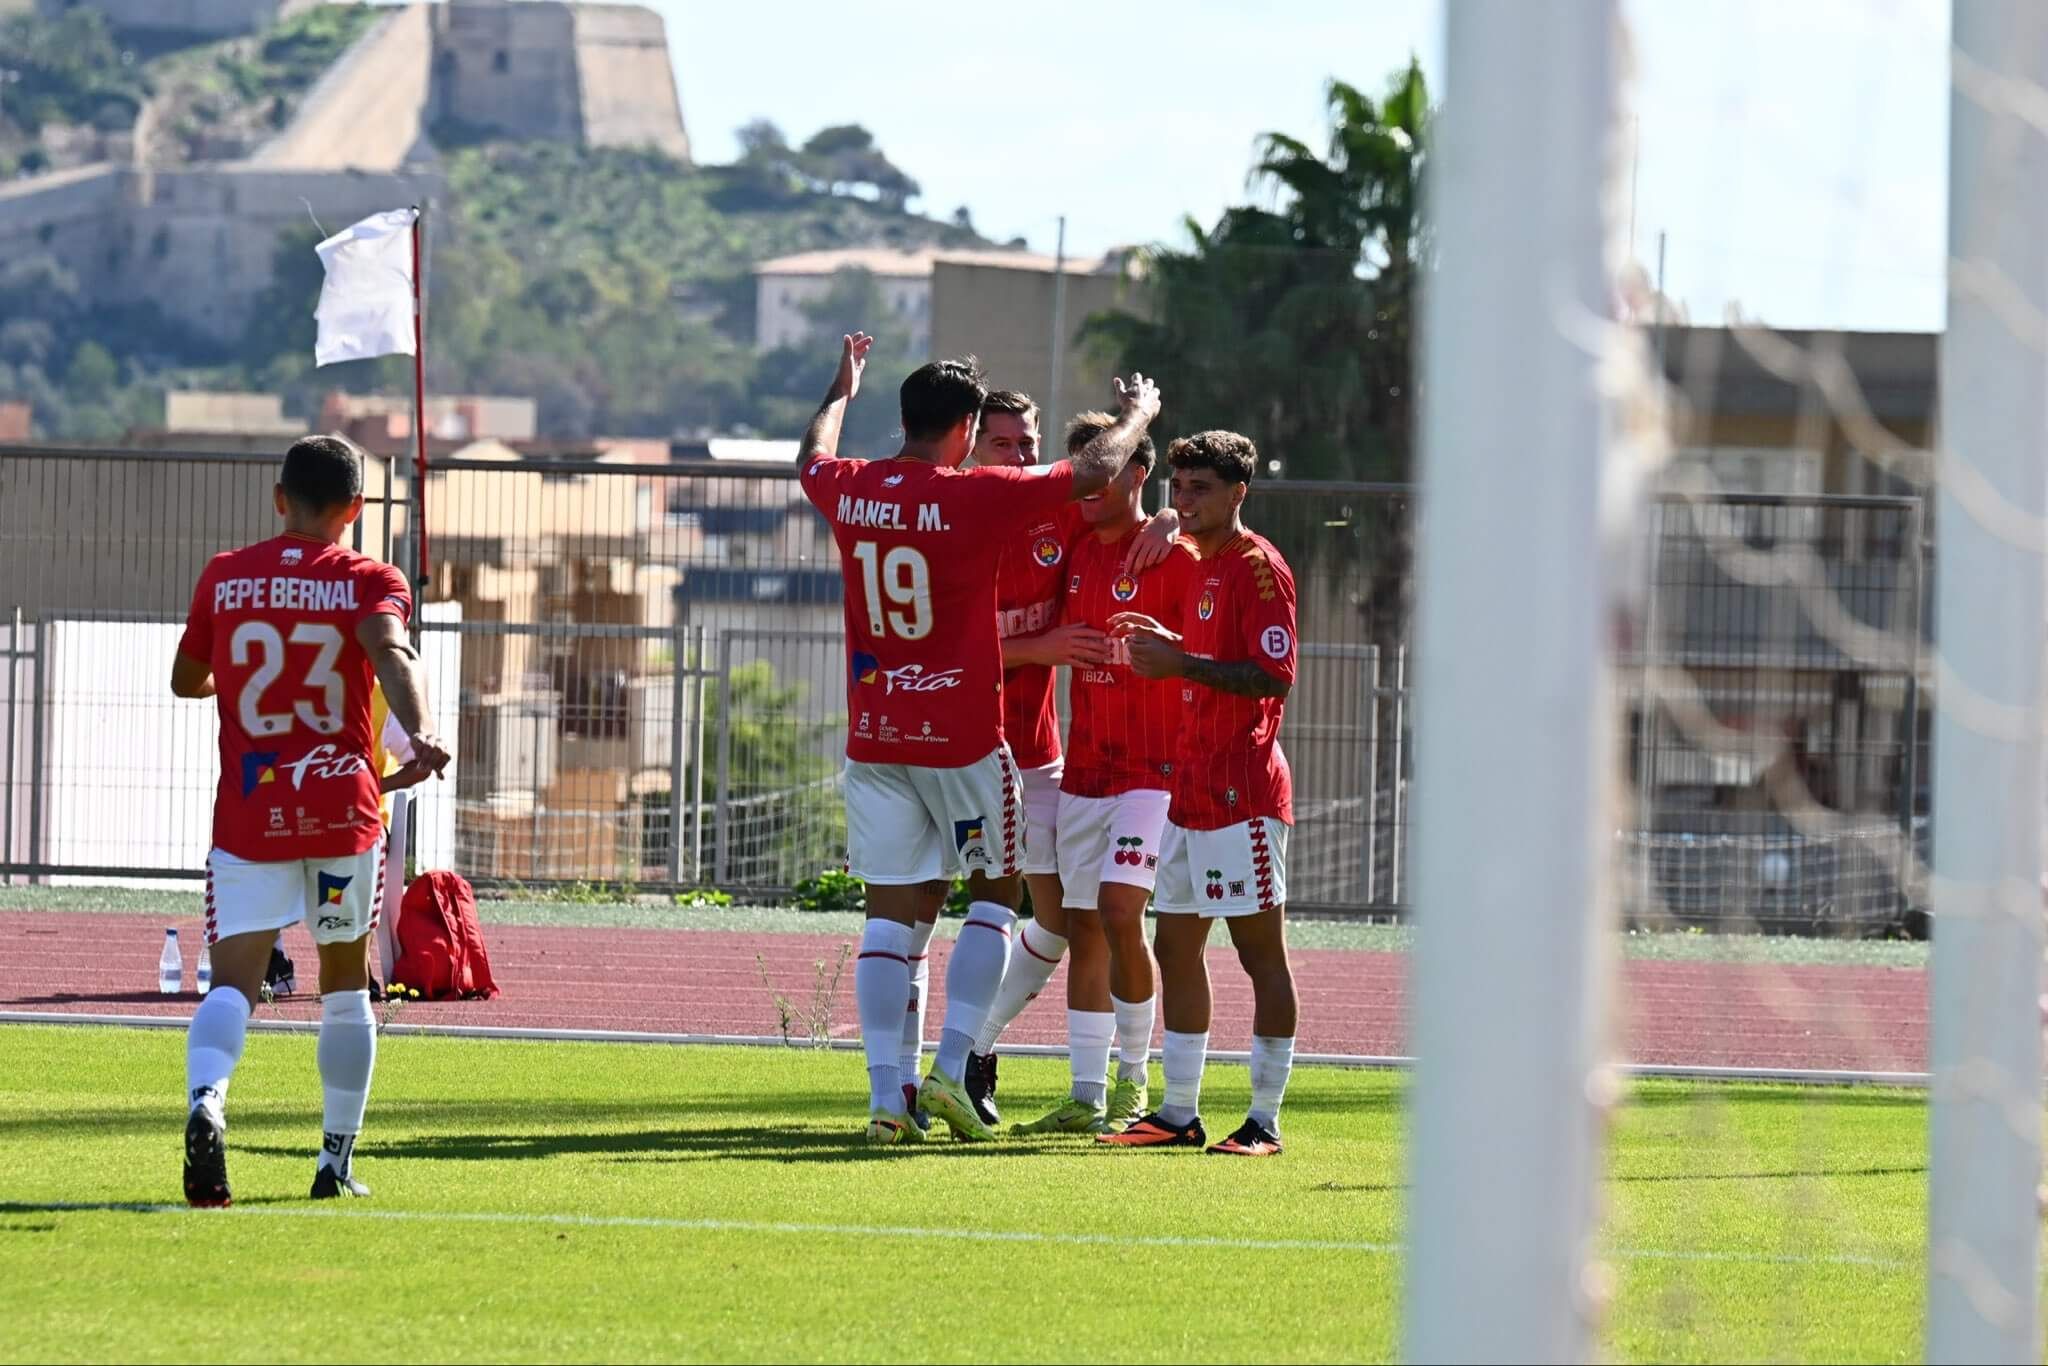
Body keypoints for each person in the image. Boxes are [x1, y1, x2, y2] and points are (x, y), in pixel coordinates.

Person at [795, 333, 1159, 1143]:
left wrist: (839, 388)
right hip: (959, 737)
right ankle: (956, 1068)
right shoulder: (971, 495)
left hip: (877, 734)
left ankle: (887, 1099)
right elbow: (1096, 471)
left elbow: (812, 452)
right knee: (995, 897)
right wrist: (1137, 413)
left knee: (891, 922)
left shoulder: (851, 488)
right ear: (964, 429)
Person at [172, 434, 451, 1205]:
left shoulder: (226, 577)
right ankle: (333, 1163)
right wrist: (421, 730)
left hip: (252, 810)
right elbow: (392, 652)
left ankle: (208, 1102)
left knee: (232, 985)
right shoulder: (370, 579)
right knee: (341, 988)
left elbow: (184, 679)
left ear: (278, 496)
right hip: (340, 810)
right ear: (355, 509)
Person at [946, 391, 1177, 1129]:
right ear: (970, 447)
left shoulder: (1062, 516)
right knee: (938, 907)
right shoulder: (952, 520)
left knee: (1062, 921)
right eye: (1002, 444)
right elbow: (937, 652)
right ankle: (924, 1074)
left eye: (1027, 444)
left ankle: (974, 1058)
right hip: (957, 753)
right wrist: (1034, 649)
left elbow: (1128, 496)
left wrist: (1169, 519)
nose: (1018, 458)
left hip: (1044, 759)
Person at [1100, 430, 1299, 1157]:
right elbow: (1215, 658)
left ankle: (1264, 1122)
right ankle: (1179, 1112)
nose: (1183, 502)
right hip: (1188, 788)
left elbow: (1272, 677)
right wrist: (1172, 641)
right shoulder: (1203, 563)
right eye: (1178, 488)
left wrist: (1179, 660)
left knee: (1260, 957)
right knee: (1174, 945)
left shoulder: (1259, 568)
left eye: (1200, 489)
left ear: (1237, 492)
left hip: (1241, 792)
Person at [1011, 413, 1195, 1134]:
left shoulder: (1174, 555)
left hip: (1156, 771)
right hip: (1087, 769)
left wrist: (1175, 518)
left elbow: (1221, 521)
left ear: (1137, 475)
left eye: (1105, 468)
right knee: (1083, 925)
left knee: (1122, 911)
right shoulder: (1078, 548)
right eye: (1081, 467)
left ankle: (1133, 1081)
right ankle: (1086, 1095)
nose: (1088, 481)